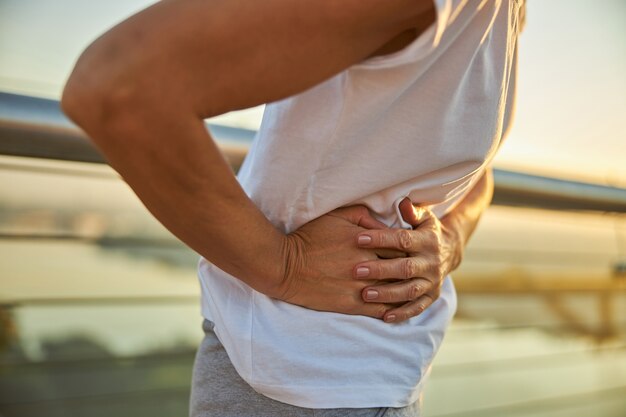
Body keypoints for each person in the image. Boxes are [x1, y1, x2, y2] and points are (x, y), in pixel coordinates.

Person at [61, 0, 524, 415]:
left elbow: (470, 168)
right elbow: (119, 89)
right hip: (294, 385)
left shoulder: (503, 12)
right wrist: (284, 266)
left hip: (386, 375)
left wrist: (452, 240)